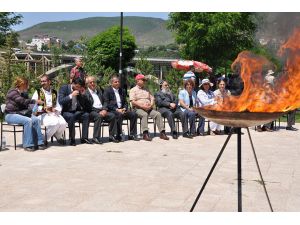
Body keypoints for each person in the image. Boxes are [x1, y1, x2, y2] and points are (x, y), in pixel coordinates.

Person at [4, 76, 46, 151]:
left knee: (36, 120)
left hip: (20, 114)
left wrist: (35, 108)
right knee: (28, 121)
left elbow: (27, 105)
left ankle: (39, 142)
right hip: (10, 115)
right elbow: (22, 101)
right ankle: (27, 144)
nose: (28, 86)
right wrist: (35, 101)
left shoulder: (24, 93)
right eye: (27, 84)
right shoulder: (12, 92)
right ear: (22, 84)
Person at [129, 74, 169, 141]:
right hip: (138, 109)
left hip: (148, 108)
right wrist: (142, 106)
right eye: (143, 80)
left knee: (158, 114)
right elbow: (133, 101)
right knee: (144, 115)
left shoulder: (147, 89)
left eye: (145, 80)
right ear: (137, 80)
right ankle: (145, 134)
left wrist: (151, 105)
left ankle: (162, 133)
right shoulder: (133, 90)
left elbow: (152, 98)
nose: (144, 81)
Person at [31, 75, 67, 145]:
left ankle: (58, 136)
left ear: (49, 82)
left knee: (63, 123)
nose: (42, 83)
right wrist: (46, 109)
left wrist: (56, 109)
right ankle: (43, 139)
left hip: (54, 113)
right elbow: (33, 104)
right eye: (41, 81)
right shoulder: (38, 92)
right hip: (42, 114)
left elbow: (58, 104)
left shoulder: (54, 92)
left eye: (44, 81)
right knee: (55, 123)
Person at [103, 76, 139, 141]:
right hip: (113, 110)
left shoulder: (122, 90)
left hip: (122, 109)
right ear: (111, 83)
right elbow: (107, 103)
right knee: (119, 115)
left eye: (118, 82)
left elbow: (125, 102)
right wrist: (117, 109)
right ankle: (118, 134)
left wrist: (124, 108)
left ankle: (132, 134)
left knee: (134, 114)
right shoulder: (107, 90)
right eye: (115, 82)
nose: (117, 83)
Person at [85, 76, 118, 144]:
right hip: (92, 111)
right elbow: (88, 106)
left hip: (102, 110)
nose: (93, 83)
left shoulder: (99, 91)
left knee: (112, 115)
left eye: (94, 82)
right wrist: (99, 111)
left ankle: (111, 136)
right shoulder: (86, 93)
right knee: (98, 116)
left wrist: (104, 109)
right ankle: (96, 137)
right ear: (87, 84)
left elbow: (105, 101)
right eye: (90, 82)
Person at [58, 77, 91, 146]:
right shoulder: (64, 88)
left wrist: (83, 95)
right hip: (66, 112)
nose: (78, 89)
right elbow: (61, 101)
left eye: (80, 87)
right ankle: (72, 139)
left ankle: (84, 138)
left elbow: (83, 105)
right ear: (73, 83)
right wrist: (71, 95)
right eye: (77, 87)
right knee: (71, 116)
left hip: (76, 111)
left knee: (86, 115)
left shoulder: (79, 90)